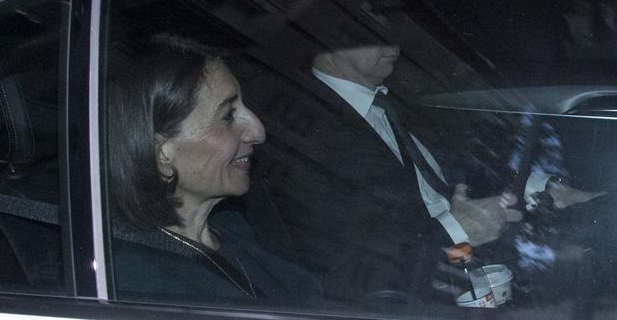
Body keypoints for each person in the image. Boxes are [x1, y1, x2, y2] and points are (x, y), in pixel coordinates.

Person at [243, 43, 606, 304]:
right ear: (327, 41)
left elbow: (469, 167)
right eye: (369, 31)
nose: (394, 42)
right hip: (406, 295)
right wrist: (455, 231)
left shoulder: (402, 96)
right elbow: (342, 257)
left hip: (475, 265)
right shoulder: (300, 130)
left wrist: (543, 187)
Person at [106, 34, 319, 302]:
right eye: (228, 115)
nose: (258, 131)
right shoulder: (140, 285)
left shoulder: (233, 229)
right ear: (163, 154)